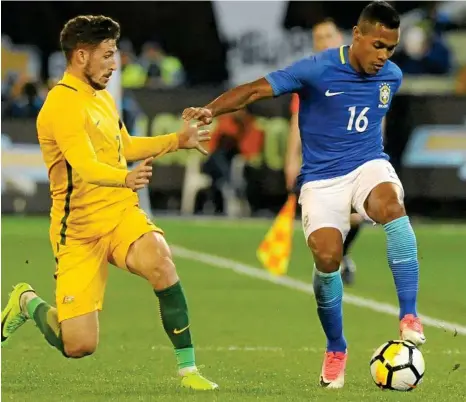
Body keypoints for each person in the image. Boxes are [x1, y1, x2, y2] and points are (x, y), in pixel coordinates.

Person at [182, 1, 425, 389]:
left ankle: (409, 315)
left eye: (390, 48)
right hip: (322, 179)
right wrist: (212, 110)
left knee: (392, 208)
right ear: (357, 35)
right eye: (378, 45)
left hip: (367, 164)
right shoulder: (317, 68)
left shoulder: (391, 77)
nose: (384, 56)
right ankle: (336, 347)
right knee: (328, 257)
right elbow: (256, 89)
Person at [1, 15, 218, 391]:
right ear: (81, 56)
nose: (114, 63)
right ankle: (26, 301)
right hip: (78, 230)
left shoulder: (100, 96)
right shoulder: (61, 105)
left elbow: (125, 146)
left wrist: (175, 141)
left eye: (114, 54)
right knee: (79, 344)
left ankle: (188, 370)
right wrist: (125, 177)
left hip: (118, 212)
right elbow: (83, 165)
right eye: (107, 54)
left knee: (160, 260)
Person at [285, 18, 361, 286]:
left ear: (340, 38)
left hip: (354, 157)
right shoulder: (310, 76)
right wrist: (291, 159)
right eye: (319, 38)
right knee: (326, 218)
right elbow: (297, 120)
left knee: (356, 215)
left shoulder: (359, 71)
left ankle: (339, 257)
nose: (324, 41)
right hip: (320, 161)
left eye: (328, 35)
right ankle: (332, 263)